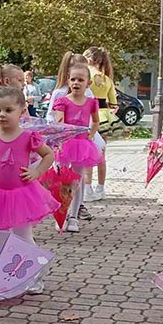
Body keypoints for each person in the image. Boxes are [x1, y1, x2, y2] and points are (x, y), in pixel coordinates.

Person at [0, 86, 57, 293]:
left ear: (22, 110)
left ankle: (33, 274)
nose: (2, 115)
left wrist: (36, 172)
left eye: (8, 110)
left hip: (22, 194)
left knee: (23, 236)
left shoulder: (27, 137)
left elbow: (48, 155)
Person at [53, 63, 102, 233]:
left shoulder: (91, 102)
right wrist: (60, 141)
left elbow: (96, 121)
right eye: (73, 79)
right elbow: (59, 123)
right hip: (66, 144)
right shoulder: (62, 101)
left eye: (80, 80)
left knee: (77, 181)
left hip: (82, 146)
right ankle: (62, 212)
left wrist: (91, 133)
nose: (76, 83)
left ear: (88, 83)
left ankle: (73, 217)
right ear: (68, 81)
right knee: (63, 182)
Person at [83, 47, 116, 202]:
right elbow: (113, 102)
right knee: (102, 155)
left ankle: (87, 188)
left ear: (89, 59)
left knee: (88, 154)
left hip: (90, 117)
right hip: (106, 117)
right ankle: (101, 188)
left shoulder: (86, 74)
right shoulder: (107, 78)